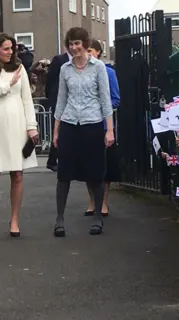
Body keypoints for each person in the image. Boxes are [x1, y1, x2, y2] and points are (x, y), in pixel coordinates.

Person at [52, 27, 114, 237]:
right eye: (71, 43)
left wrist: (110, 130)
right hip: (70, 123)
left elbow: (106, 100)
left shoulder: (99, 68)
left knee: (95, 172)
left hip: (92, 123)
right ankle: (60, 219)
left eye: (77, 43)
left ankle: (97, 216)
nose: (74, 47)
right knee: (64, 174)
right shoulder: (65, 69)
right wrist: (56, 130)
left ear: (86, 44)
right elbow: (61, 100)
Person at [0, 32, 39, 239]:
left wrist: (32, 126)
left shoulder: (20, 69)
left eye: (12, 48)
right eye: (6, 48)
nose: (10, 52)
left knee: (17, 175)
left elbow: (27, 100)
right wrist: (8, 84)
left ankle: (14, 220)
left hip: (17, 125)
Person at [84, 39, 120, 217]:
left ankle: (104, 202)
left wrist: (98, 107)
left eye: (91, 51)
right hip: (84, 125)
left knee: (104, 166)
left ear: (98, 53)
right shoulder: (79, 72)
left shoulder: (108, 72)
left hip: (103, 125)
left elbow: (115, 99)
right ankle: (92, 201)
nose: (88, 54)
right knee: (87, 167)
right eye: (86, 50)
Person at [45, 47, 71, 172]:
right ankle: (53, 160)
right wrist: (50, 97)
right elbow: (50, 79)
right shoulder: (59, 60)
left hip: (70, 99)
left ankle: (61, 159)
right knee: (58, 130)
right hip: (57, 99)